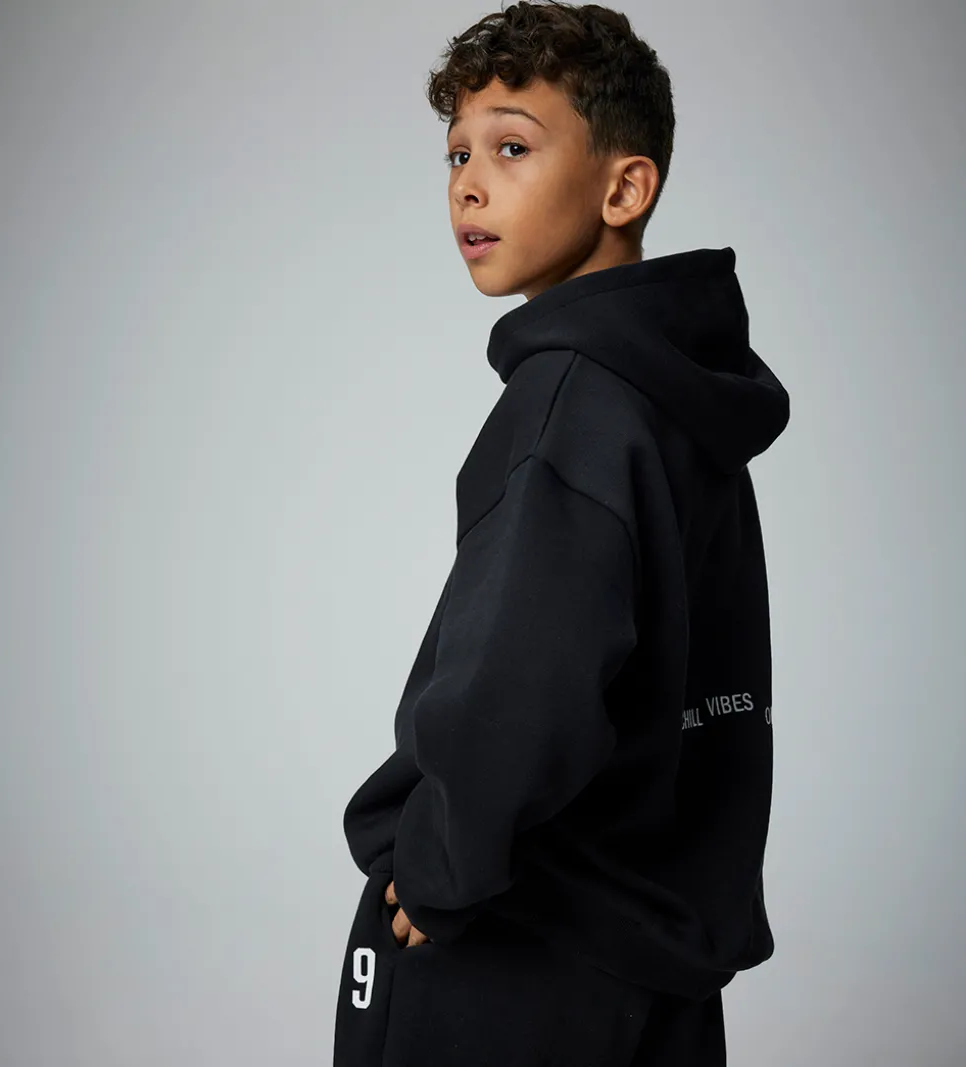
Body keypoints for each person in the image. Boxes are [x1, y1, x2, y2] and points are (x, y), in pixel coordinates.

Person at [332, 2, 790, 1063]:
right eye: (456, 153)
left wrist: (437, 869)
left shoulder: (572, 405)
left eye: (511, 147)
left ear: (624, 188)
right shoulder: (679, 400)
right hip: (655, 951)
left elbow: (523, 676)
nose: (467, 184)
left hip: (518, 952)